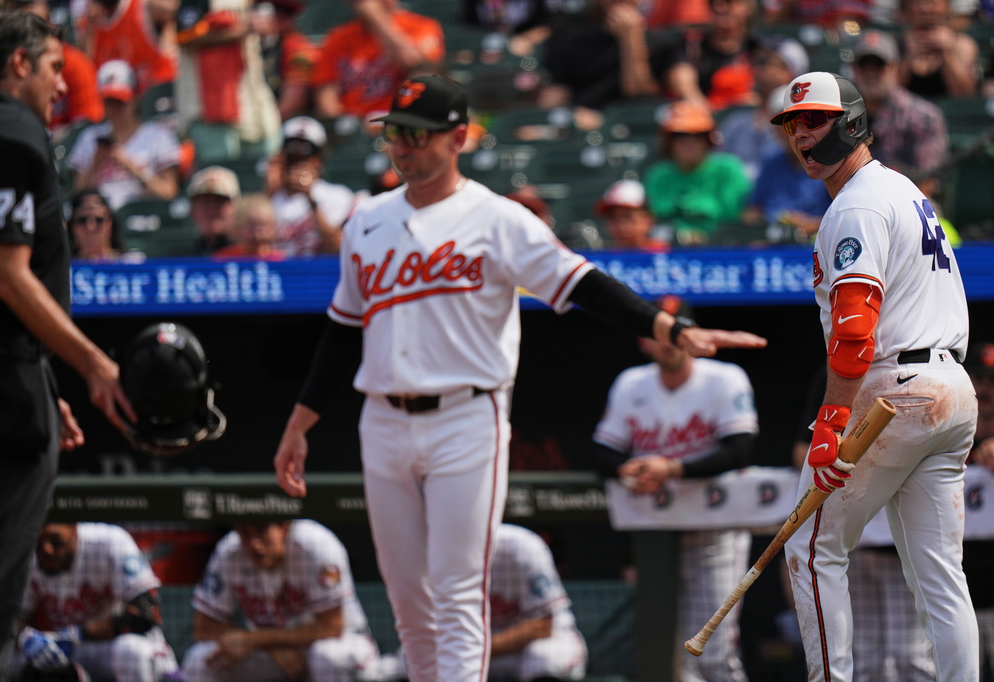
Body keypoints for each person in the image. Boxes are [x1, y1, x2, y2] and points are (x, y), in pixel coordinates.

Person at [271, 73, 767, 682]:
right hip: (382, 419)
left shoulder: (496, 218)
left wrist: (665, 328)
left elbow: (582, 281)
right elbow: (343, 328)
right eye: (394, 133)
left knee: (455, 593)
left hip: (465, 416)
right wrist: (302, 419)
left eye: (417, 135)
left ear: (458, 138)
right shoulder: (366, 222)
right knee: (407, 601)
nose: (402, 146)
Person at [772, 71, 977, 681]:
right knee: (940, 573)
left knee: (810, 547)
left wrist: (831, 421)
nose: (803, 136)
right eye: (793, 125)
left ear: (853, 121)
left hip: (895, 391)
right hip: (950, 389)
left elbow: (855, 331)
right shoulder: (900, 188)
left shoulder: (857, 203)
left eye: (816, 120)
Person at [0, 12, 135, 682]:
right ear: (17, 64)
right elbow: (7, 275)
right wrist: (92, 363)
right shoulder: (9, 130)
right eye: (53, 67)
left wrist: (45, 381)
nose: (63, 85)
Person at [592, 294, 758, 682]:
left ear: (693, 336)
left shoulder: (724, 378)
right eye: (658, 332)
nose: (667, 340)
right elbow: (602, 452)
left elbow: (739, 450)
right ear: (643, 339)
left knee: (714, 654)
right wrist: (626, 469)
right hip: (656, 536)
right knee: (672, 659)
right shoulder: (630, 383)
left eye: (676, 329)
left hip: (714, 528)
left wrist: (670, 467)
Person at [791, 364, 936, 680]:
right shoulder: (836, 373)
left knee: (910, 656)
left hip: (901, 548)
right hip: (854, 543)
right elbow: (802, 450)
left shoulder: (914, 377)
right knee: (866, 657)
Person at [369, 523, 588, 681]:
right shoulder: (435, 555)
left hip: (532, 647)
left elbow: (541, 626)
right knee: (402, 665)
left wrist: (471, 650)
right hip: (475, 652)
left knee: (544, 659)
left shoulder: (522, 546)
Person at [180, 519, 379, 682]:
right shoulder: (229, 551)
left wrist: (255, 640)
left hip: (342, 642)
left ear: (284, 527)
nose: (254, 544)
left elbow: (331, 627)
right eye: (245, 534)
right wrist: (271, 646)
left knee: (327, 657)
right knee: (199, 660)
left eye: (261, 530)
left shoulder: (315, 543)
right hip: (274, 651)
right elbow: (203, 627)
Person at [11, 522, 180, 681]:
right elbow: (13, 619)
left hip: (117, 647)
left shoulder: (109, 541)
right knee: (10, 660)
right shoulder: (30, 556)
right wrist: (25, 638)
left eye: (55, 541)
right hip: (70, 650)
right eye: (39, 543)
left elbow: (147, 612)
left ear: (73, 530)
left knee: (130, 651)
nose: (46, 549)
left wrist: (78, 634)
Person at [537, 0, 707, 121]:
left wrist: (631, 39)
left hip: (642, 126)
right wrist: (572, 115)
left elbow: (640, 94)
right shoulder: (570, 41)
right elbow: (555, 98)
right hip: (588, 129)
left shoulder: (666, 42)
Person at [68, 59, 181, 210]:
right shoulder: (89, 137)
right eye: (110, 101)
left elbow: (169, 193)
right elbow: (76, 196)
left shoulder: (159, 134)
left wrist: (131, 167)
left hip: (145, 215)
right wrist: (96, 164)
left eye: (120, 102)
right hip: (100, 220)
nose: (115, 109)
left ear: (135, 98)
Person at [174, 0, 280, 161]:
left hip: (251, 101)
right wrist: (242, 30)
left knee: (262, 167)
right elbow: (186, 36)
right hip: (207, 108)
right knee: (220, 173)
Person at [852, 29, 950, 200]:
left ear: (894, 69)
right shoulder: (843, 115)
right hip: (852, 203)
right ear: (854, 70)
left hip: (910, 205)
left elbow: (927, 181)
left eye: (878, 65)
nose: (871, 73)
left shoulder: (923, 115)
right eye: (864, 66)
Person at [311, 0, 445, 119]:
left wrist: (376, 18)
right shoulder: (337, 37)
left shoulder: (422, 27)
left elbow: (419, 70)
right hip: (353, 128)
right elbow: (326, 98)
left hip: (401, 121)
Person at [642, 100, 751, 244]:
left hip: (720, 251)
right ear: (669, 141)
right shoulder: (658, 176)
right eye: (679, 135)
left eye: (697, 135)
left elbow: (736, 222)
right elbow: (650, 224)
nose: (689, 143)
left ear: (708, 139)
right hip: (667, 253)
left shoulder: (727, 170)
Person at [741, 86, 832, 242]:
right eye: (784, 123)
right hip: (773, 241)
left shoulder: (831, 160)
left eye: (799, 120)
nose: (792, 129)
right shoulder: (771, 160)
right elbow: (754, 209)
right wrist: (758, 229)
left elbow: (845, 215)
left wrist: (813, 224)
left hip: (818, 241)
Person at [9, 0, 105, 141]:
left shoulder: (75, 64)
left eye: (39, 25)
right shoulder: (9, 71)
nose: (32, 34)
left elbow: (87, 124)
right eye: (24, 28)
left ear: (51, 24)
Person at [719, 34, 809, 182]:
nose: (755, 68)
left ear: (789, 72)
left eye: (763, 62)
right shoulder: (736, 122)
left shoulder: (804, 125)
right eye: (754, 61)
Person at [270, 116, 356, 257]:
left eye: (304, 158)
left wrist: (311, 200)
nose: (297, 166)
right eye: (292, 158)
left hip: (319, 275)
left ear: (318, 161)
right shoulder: (270, 199)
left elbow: (338, 247)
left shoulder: (337, 196)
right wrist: (269, 192)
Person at [963, 340, 994, 678]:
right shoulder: (951, 429)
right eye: (979, 378)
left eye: (993, 381)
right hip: (960, 586)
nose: (985, 389)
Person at [84, 0, 179, 95]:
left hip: (159, 94)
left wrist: (171, 42)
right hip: (119, 100)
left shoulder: (144, 7)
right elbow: (87, 76)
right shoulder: (90, 24)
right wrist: (90, 34)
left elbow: (184, 11)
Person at [899, 0, 979, 98]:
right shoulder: (896, 44)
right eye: (917, 2)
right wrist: (911, 56)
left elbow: (966, 94)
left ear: (946, 6)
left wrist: (947, 53)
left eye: (932, 2)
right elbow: (891, 92)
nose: (925, 8)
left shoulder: (962, 44)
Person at [593, 179, 664, 249]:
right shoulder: (599, 258)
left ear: (648, 218)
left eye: (628, 217)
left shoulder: (666, 255)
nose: (621, 226)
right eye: (613, 218)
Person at [188, 164, 242, 254]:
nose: (211, 209)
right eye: (205, 203)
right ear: (193, 209)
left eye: (219, 202)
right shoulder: (179, 261)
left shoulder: (253, 257)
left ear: (236, 207)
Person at [215, 193, 285, 259]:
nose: (259, 233)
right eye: (252, 227)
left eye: (264, 226)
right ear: (238, 228)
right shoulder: (225, 257)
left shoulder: (280, 259)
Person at [68, 187, 131, 261]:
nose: (91, 227)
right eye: (82, 220)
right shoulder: (61, 268)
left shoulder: (132, 263)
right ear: (72, 226)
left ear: (111, 223)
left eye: (99, 220)